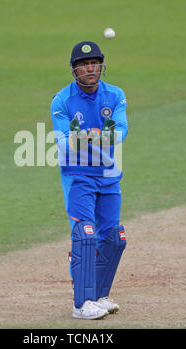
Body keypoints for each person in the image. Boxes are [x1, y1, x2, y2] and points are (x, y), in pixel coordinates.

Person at [50, 41, 128, 320]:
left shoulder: (116, 95)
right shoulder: (61, 101)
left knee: (113, 238)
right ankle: (81, 304)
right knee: (85, 236)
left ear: (101, 66)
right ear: (74, 70)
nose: (89, 68)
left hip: (108, 174)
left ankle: (98, 296)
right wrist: (98, 138)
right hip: (78, 175)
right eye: (83, 65)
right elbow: (62, 143)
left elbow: (121, 132)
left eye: (93, 63)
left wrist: (84, 138)